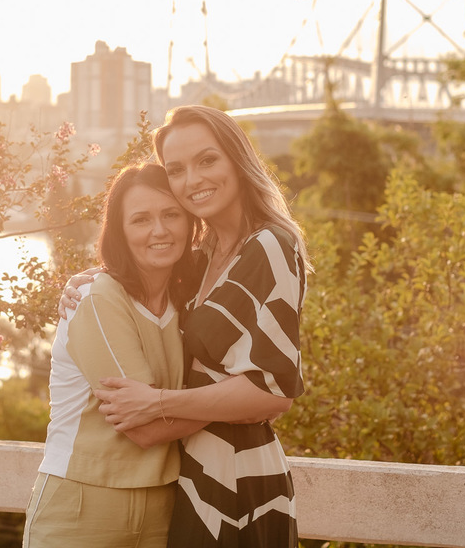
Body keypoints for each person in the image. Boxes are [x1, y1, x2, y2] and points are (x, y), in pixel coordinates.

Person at [91, 105, 310, 548]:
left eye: (207, 160)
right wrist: (91, 280)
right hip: (194, 468)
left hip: (238, 475)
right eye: (176, 170)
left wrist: (156, 403)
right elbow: (144, 284)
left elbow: (273, 391)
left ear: (236, 158)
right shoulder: (205, 254)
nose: (193, 181)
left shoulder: (269, 246)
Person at [24, 163, 205, 547]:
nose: (159, 230)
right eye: (140, 220)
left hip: (163, 505)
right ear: (120, 233)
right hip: (81, 505)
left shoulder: (189, 301)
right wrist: (241, 407)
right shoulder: (97, 298)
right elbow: (145, 427)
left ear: (189, 222)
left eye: (171, 214)